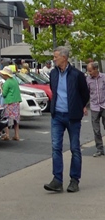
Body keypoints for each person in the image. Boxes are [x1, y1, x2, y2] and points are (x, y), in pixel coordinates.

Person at [44, 46, 90, 194]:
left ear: (64, 57)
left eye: (56, 56)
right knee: (56, 147)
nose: (54, 59)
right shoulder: (53, 73)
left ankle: (74, 180)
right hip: (57, 115)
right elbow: (53, 89)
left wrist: (78, 106)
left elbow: (85, 94)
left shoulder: (77, 75)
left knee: (75, 148)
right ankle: (57, 180)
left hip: (72, 117)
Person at [86, 61, 105, 157]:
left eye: (90, 71)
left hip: (104, 106)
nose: (89, 73)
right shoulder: (88, 80)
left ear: (96, 69)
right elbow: (86, 93)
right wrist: (84, 106)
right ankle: (99, 149)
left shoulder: (103, 77)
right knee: (96, 130)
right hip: (94, 107)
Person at [0, 67, 21, 141]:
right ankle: (17, 135)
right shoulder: (14, 80)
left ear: (6, 75)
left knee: (6, 118)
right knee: (16, 120)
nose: (2, 75)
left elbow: (4, 94)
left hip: (9, 102)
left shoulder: (7, 82)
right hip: (16, 102)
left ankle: (7, 135)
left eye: (3, 74)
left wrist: (0, 87)